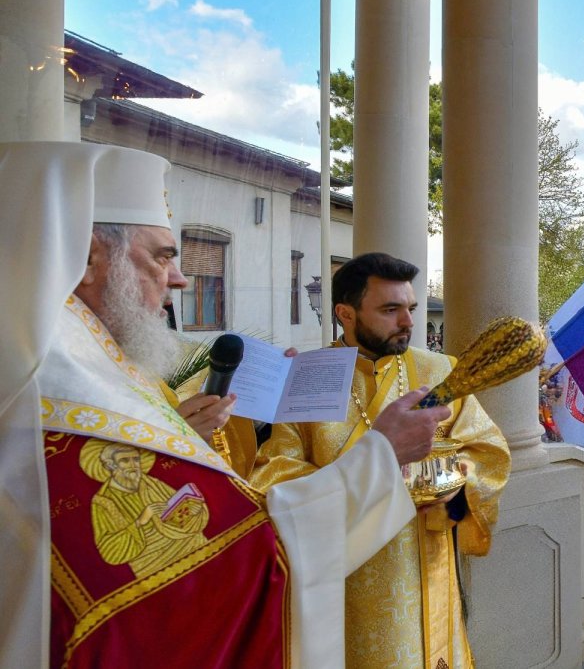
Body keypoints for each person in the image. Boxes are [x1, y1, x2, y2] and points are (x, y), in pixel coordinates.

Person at [1, 142, 438, 668]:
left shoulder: (81, 370)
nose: (181, 279)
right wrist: (382, 457)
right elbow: (227, 565)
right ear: (90, 256)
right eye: (163, 256)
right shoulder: (58, 389)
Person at [248, 252, 510, 668]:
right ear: (345, 313)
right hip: (343, 575)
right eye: (390, 310)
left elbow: (487, 452)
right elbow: (275, 473)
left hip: (421, 567)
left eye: (410, 308)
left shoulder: (440, 371)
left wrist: (454, 490)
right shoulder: (309, 376)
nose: (408, 322)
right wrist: (362, 476)